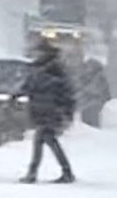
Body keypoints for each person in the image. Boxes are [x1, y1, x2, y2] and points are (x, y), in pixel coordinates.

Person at [13, 40, 76, 183]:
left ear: (47, 54)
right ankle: (66, 172)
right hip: (40, 110)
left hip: (51, 112)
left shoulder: (55, 71)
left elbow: (65, 93)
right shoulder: (37, 69)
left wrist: (66, 111)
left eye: (40, 52)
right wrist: (16, 94)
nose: (37, 55)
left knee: (42, 140)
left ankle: (33, 173)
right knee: (48, 141)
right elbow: (28, 86)